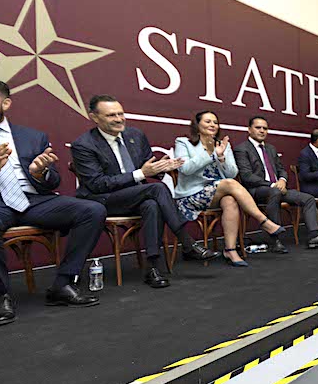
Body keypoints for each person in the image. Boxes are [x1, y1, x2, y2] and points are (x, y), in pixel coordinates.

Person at [0, 77, 106, 326]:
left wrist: (39, 173)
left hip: (31, 199)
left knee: (92, 210)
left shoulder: (32, 136)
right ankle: (2, 295)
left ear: (6, 103)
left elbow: (52, 180)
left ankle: (63, 284)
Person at [71, 96, 218, 288]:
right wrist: (142, 173)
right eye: (111, 115)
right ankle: (187, 242)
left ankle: (153, 268)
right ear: (94, 117)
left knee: (151, 204)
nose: (118, 119)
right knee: (156, 190)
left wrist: (163, 167)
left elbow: (148, 166)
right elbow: (98, 184)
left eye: (120, 113)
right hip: (103, 200)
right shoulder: (84, 144)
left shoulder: (135, 135)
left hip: (136, 195)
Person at [173, 110, 286, 267]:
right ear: (197, 125)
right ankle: (263, 221)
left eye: (215, 122)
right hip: (191, 196)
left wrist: (221, 157)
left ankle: (230, 249)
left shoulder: (223, 145)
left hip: (216, 194)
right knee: (229, 185)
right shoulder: (183, 143)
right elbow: (185, 169)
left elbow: (232, 172)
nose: (213, 125)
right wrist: (211, 154)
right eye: (208, 121)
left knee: (230, 199)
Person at [233, 116, 318, 251]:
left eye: (265, 128)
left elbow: (281, 169)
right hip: (256, 191)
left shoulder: (270, 148)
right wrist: (272, 185)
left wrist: (282, 180)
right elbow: (247, 176)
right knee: (275, 192)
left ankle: (314, 237)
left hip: (278, 188)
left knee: (308, 198)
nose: (262, 131)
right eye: (258, 128)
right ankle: (275, 240)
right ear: (249, 130)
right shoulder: (242, 149)